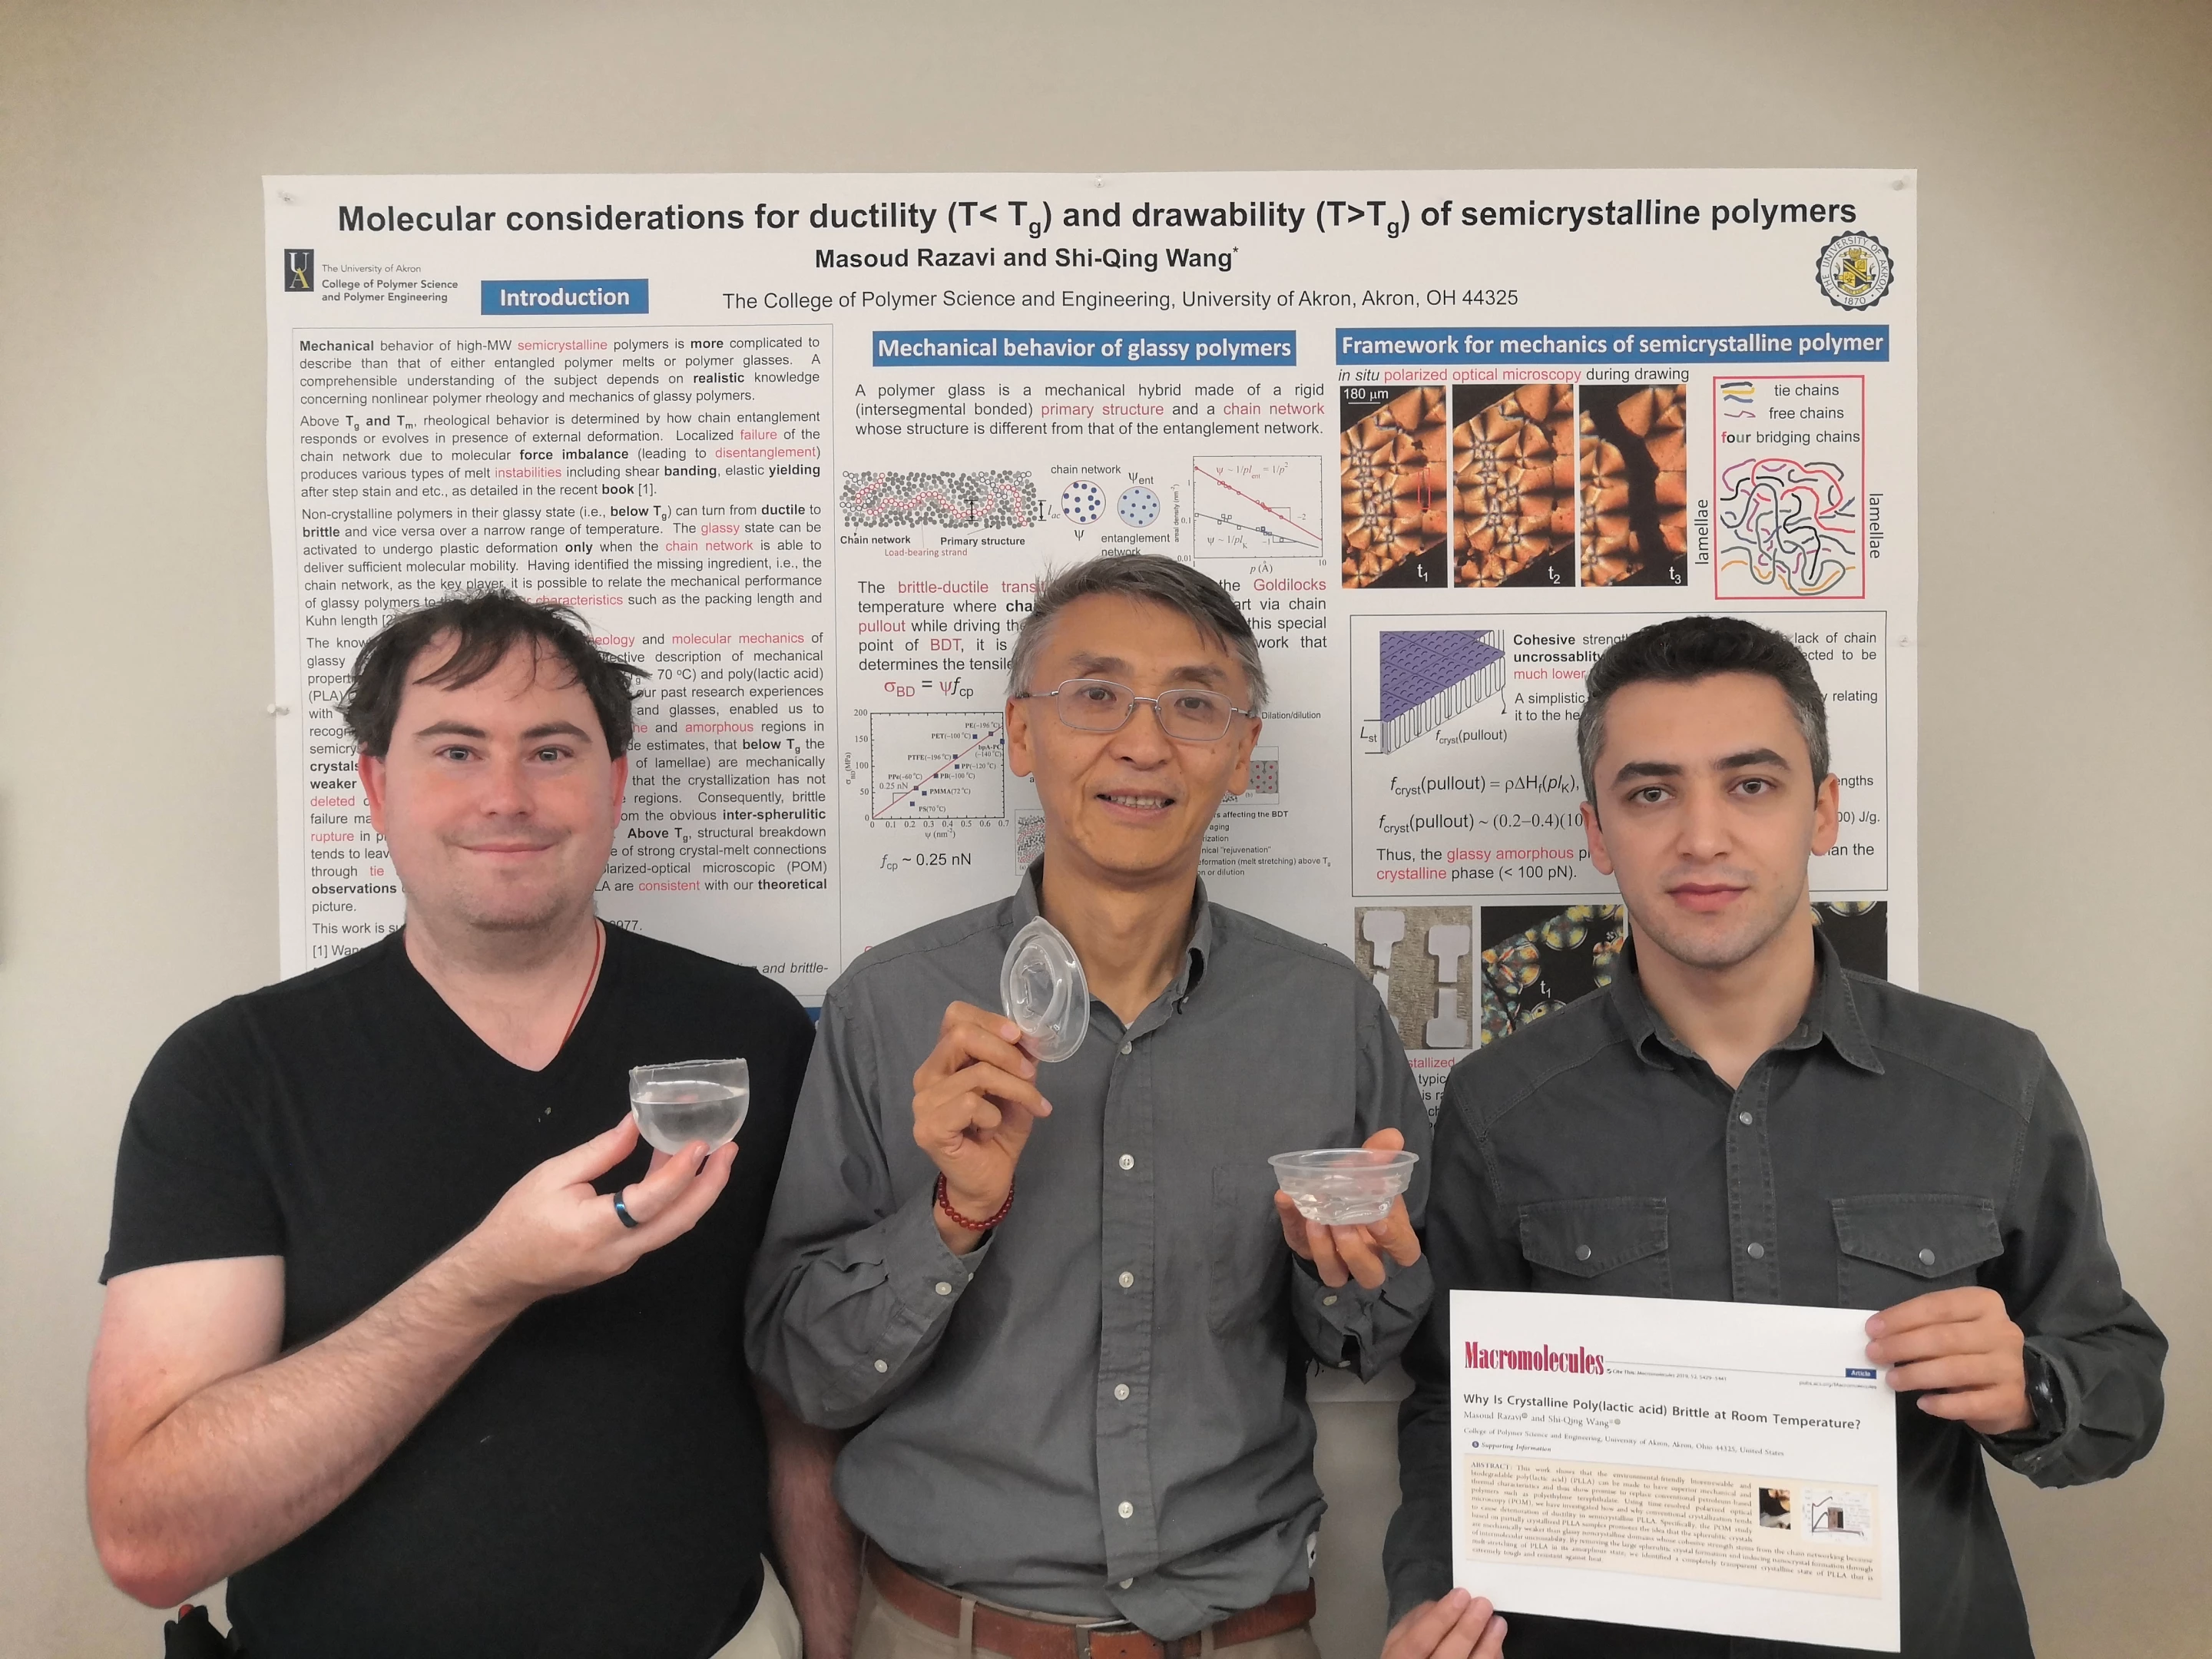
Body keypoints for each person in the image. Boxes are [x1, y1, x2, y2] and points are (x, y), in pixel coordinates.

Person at [748, 555, 1505, 1659]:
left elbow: (1374, 1343)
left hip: (1246, 1634)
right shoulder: (890, 1004)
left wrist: (1354, 1275)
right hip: (944, 1633)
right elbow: (801, 1372)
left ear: (1242, 752)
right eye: (1095, 695)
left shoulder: (1325, 1012)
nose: (1143, 744)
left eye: (1194, 704)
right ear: (1022, 735)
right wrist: (953, 1219)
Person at [88, 591, 855, 1659]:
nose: (508, 796)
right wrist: (488, 1279)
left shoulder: (747, 1031)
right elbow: (149, 1535)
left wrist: (830, 1633)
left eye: (552, 751)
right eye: (455, 750)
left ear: (615, 785)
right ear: (375, 786)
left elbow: (793, 1396)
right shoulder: (232, 1077)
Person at [1385, 616, 2166, 1657]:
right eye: (1651, 793)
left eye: (1750, 784)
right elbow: (1451, 1403)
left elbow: (2120, 1383)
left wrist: (2031, 1387)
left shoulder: (1990, 1079)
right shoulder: (1501, 1103)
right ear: (1597, 831)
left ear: (1823, 810)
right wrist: (1430, 1605)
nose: (1702, 837)